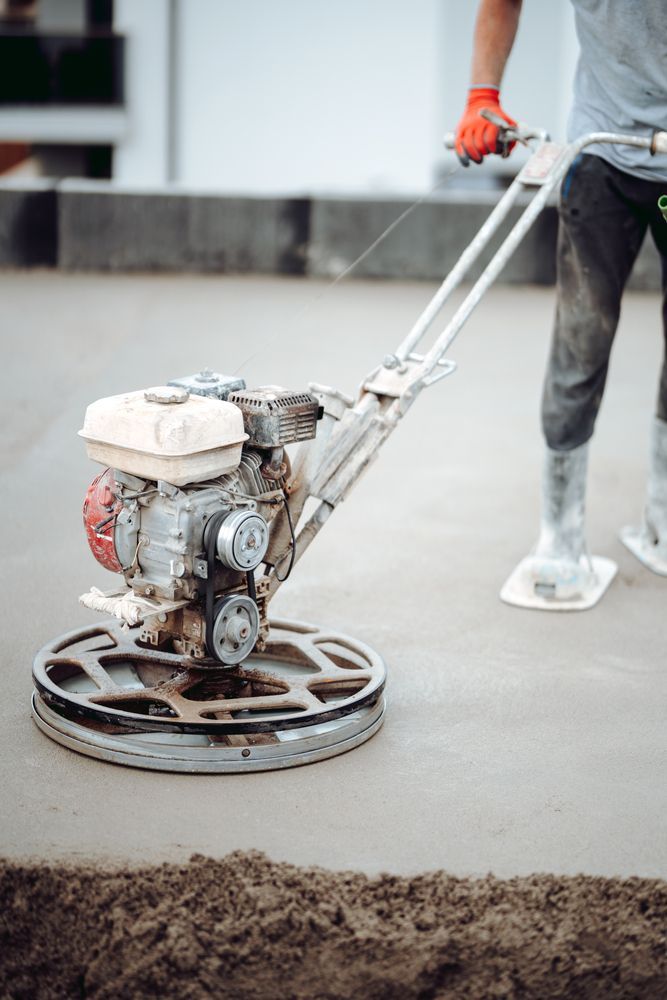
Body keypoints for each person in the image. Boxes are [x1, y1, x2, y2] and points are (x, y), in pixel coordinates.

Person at [455, 0, 667, 609]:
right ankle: (560, 539)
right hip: (605, 151)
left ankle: (662, 520)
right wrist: (482, 96)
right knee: (581, 340)